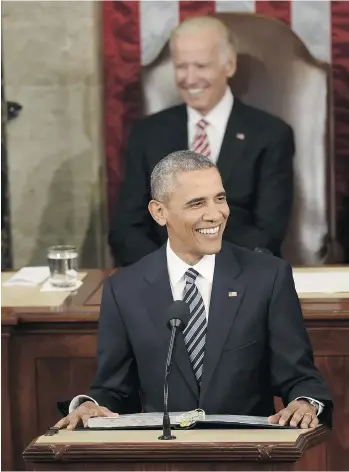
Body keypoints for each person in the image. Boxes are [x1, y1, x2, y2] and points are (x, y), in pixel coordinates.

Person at [56, 151, 332, 430]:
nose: (215, 215)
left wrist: (305, 402)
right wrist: (91, 406)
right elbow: (115, 392)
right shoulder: (124, 288)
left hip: (248, 453)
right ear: (159, 212)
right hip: (164, 455)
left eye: (220, 199)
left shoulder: (267, 277)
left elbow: (300, 377)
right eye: (197, 203)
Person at [108, 15, 295, 266]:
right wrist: (170, 271)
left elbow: (267, 232)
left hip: (239, 277)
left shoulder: (270, 134)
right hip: (161, 283)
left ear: (229, 65)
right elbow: (126, 229)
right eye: (181, 66)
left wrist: (205, 270)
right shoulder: (148, 133)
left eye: (201, 66)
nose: (190, 78)